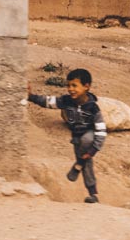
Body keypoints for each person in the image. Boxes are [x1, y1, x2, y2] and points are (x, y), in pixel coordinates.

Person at [27, 68, 107, 203]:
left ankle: (80, 165)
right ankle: (92, 193)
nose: (70, 89)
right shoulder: (67, 101)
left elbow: (101, 130)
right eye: (68, 85)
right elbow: (49, 102)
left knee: (87, 140)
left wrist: (93, 150)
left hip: (90, 138)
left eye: (74, 85)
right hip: (76, 139)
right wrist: (31, 96)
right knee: (87, 164)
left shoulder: (93, 107)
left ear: (86, 87)